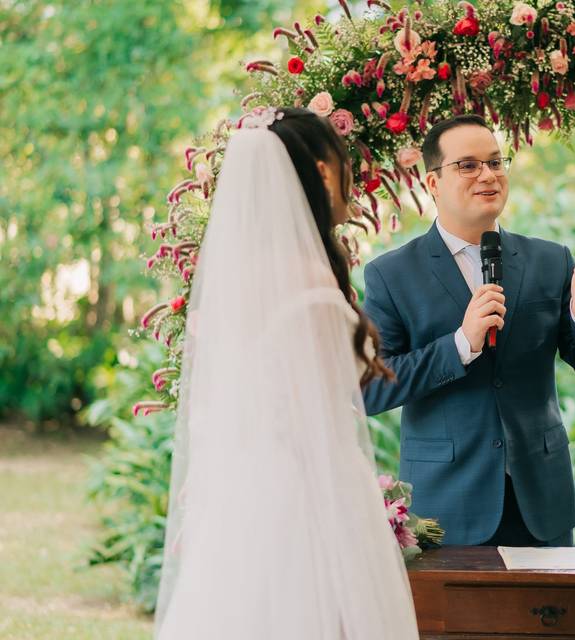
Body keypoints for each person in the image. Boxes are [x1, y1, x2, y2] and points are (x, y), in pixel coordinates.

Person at [154, 108, 419, 639]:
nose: (355, 182)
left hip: (249, 502)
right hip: (309, 509)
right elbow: (316, 433)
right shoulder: (312, 294)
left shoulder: (246, 283)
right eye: (347, 165)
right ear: (324, 172)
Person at [362, 114, 575, 547]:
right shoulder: (391, 274)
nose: (488, 175)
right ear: (432, 183)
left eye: (496, 162)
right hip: (445, 508)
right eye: (468, 165)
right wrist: (460, 344)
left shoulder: (549, 260)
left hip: (541, 505)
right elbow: (370, 389)